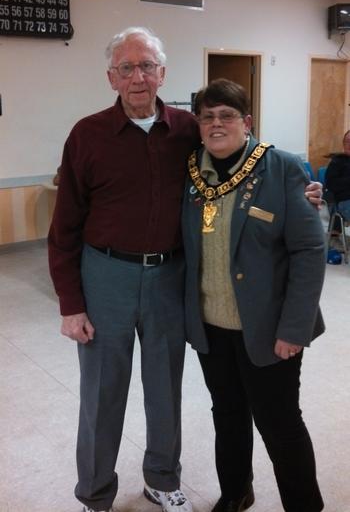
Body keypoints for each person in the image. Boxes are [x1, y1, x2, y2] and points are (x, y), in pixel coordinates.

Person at [48, 28, 322, 512]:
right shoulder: (86, 135)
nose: (139, 77)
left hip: (169, 280)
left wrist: (301, 192)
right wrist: (71, 303)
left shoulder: (184, 132)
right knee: (102, 392)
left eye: (148, 66)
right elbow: (64, 225)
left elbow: (248, 165)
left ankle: (161, 477)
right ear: (112, 77)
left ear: (163, 74)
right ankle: (94, 493)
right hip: (105, 275)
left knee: (164, 387)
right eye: (127, 68)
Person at [182, 79, 326, 512]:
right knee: (227, 417)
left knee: (279, 424)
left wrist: (294, 329)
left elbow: (309, 249)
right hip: (212, 327)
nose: (216, 124)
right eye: (207, 117)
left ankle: (305, 506)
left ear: (247, 122)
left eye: (226, 115)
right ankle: (236, 492)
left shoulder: (281, 167)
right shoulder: (190, 173)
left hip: (270, 330)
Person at [325, 129, 350, 221]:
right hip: (345, 201)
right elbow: (331, 184)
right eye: (347, 141)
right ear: (343, 144)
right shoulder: (337, 161)